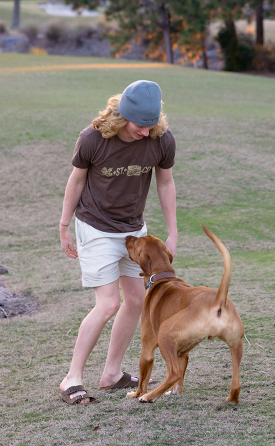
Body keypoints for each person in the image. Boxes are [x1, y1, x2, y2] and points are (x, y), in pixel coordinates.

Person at [58, 80, 177, 405]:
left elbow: (165, 184)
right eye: (140, 126)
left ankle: (111, 373)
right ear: (123, 115)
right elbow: (76, 180)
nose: (145, 132)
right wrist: (64, 225)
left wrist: (173, 233)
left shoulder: (161, 139)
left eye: (151, 125)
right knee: (108, 303)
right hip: (95, 227)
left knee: (137, 300)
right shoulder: (93, 138)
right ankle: (72, 378)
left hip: (133, 231)